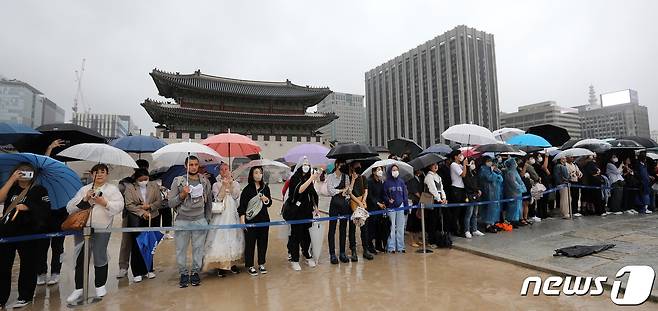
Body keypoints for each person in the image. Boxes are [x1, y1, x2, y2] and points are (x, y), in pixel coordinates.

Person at [66, 164, 124, 304]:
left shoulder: (112, 189)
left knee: (100, 254)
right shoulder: (84, 189)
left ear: (107, 174)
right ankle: (78, 288)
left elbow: (119, 206)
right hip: (82, 228)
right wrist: (85, 199)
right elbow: (70, 207)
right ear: (92, 174)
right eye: (96, 172)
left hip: (102, 228)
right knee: (81, 257)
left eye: (102, 172)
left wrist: (105, 203)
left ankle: (100, 285)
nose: (99, 175)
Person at [0, 163, 50, 309]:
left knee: (28, 265)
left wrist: (28, 207)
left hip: (29, 232)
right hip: (8, 232)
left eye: (28, 171)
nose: (24, 173)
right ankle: (1, 298)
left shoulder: (39, 190)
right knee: (3, 265)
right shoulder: (12, 187)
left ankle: (25, 296)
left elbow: (45, 210)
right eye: (21, 171)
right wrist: (11, 179)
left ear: (33, 174)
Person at [169, 156, 212, 288]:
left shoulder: (205, 181)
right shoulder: (178, 181)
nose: (193, 167)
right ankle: (183, 273)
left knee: (198, 249)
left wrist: (207, 219)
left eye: (195, 164)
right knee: (181, 249)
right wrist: (182, 194)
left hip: (199, 220)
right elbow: (171, 203)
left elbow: (208, 202)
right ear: (185, 166)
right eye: (191, 164)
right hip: (182, 220)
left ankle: (195, 272)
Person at [36, 139, 68, 287]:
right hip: (43, 217)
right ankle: (41, 273)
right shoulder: (41, 180)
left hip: (60, 215)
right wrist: (49, 148)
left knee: (58, 247)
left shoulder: (64, 181)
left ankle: (56, 272)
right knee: (41, 247)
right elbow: (42, 165)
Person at [123, 169, 162, 283]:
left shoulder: (154, 185)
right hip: (137, 219)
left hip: (152, 217)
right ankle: (137, 272)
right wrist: (141, 211)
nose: (144, 181)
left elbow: (159, 201)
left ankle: (149, 269)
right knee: (137, 245)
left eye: (146, 179)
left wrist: (149, 206)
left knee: (150, 244)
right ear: (136, 179)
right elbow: (129, 204)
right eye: (141, 180)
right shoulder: (130, 187)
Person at [205, 163, 244, 277]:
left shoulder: (236, 183)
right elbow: (218, 198)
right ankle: (221, 265)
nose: (224, 171)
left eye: (226, 169)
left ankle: (232, 263)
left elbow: (236, 196)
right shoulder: (216, 184)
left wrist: (230, 184)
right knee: (220, 236)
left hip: (232, 213)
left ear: (230, 170)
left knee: (233, 236)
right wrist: (223, 186)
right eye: (221, 170)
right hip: (221, 214)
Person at [117, 159, 150, 279]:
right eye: (139, 168)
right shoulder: (125, 183)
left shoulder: (149, 182)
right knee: (126, 242)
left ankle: (145, 266)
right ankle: (123, 267)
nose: (141, 170)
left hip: (146, 216)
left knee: (145, 242)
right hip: (129, 216)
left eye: (144, 168)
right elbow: (121, 199)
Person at [286, 157, 320, 271]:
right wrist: (311, 178)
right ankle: (294, 259)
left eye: (308, 164)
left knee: (306, 235)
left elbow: (312, 194)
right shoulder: (295, 178)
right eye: (304, 164)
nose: (306, 166)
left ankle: (306, 254)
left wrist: (316, 207)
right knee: (296, 235)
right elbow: (299, 190)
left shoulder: (309, 178)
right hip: (296, 211)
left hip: (307, 211)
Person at [239, 166, 272, 276]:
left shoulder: (265, 188)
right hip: (251, 221)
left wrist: (266, 199)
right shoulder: (247, 189)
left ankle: (261, 263)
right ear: (252, 175)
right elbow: (242, 207)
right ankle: (250, 265)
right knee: (250, 243)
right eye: (256, 173)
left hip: (264, 220)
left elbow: (270, 203)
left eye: (260, 173)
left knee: (263, 243)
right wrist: (242, 220)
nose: (258, 175)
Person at [326, 160, 352, 264]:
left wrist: (346, 190)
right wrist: (341, 190)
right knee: (332, 229)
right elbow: (331, 191)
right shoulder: (330, 177)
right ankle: (332, 254)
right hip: (334, 205)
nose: (343, 166)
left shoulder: (346, 177)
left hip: (344, 204)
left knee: (343, 228)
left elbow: (348, 190)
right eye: (341, 164)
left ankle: (342, 253)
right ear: (337, 165)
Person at [383, 164, 408, 252]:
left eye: (396, 170)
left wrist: (406, 207)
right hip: (391, 207)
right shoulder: (386, 182)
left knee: (401, 227)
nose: (395, 171)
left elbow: (405, 195)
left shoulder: (401, 181)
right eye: (393, 170)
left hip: (400, 206)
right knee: (392, 227)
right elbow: (384, 194)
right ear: (390, 171)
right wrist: (388, 200)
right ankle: (391, 247)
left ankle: (401, 247)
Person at [349, 160, 370, 261]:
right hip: (353, 204)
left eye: (359, 165)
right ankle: (353, 251)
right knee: (352, 229)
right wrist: (359, 202)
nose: (359, 167)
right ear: (352, 167)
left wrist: (363, 201)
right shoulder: (349, 178)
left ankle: (365, 249)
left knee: (364, 228)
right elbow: (349, 192)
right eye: (357, 166)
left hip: (362, 204)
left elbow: (366, 190)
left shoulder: (363, 177)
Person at [424, 162, 447, 247]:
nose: (435, 166)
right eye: (433, 164)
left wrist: (444, 198)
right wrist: (439, 199)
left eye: (436, 164)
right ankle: (431, 241)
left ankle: (437, 239)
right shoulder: (429, 176)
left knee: (438, 220)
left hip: (439, 200)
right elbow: (432, 189)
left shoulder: (438, 177)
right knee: (432, 221)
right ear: (429, 166)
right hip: (432, 200)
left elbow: (441, 188)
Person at [479, 156, 504, 233]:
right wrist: (493, 172)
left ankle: (492, 223)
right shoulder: (483, 169)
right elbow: (490, 178)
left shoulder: (491, 169)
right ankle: (488, 225)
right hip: (488, 192)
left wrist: (497, 172)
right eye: (488, 161)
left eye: (491, 161)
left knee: (494, 209)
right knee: (488, 209)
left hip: (494, 192)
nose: (490, 162)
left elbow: (500, 179)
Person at [366, 166, 386, 253]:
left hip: (380, 208)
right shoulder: (369, 181)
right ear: (374, 172)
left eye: (381, 170)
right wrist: (378, 203)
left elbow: (382, 194)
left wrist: (384, 202)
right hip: (372, 208)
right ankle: (370, 246)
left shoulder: (380, 182)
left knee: (379, 227)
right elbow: (369, 196)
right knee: (371, 227)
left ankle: (378, 245)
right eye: (378, 170)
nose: (380, 171)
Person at [503, 158, 526, 227]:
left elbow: (519, 180)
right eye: (514, 163)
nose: (516, 164)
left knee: (518, 207)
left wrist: (522, 186)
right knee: (513, 207)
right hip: (513, 193)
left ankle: (517, 219)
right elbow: (513, 183)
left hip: (517, 193)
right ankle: (512, 221)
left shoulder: (514, 171)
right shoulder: (510, 173)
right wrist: (520, 188)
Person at [463, 160, 484, 238]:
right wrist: (476, 189)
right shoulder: (466, 174)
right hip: (469, 195)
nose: (473, 165)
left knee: (475, 214)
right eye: (471, 163)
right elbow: (468, 184)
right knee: (469, 214)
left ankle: (474, 229)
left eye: (474, 163)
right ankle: (467, 230)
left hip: (476, 195)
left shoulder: (474, 173)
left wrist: (479, 189)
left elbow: (477, 183)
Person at [448, 150, 467, 235]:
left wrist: (466, 165)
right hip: (456, 189)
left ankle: (462, 229)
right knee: (456, 211)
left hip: (462, 188)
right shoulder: (453, 165)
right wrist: (464, 164)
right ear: (455, 156)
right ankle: (455, 229)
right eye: (459, 155)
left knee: (463, 210)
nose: (461, 156)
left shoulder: (459, 165)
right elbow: (463, 174)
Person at [406, 169, 424, 247]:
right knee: (412, 221)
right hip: (413, 201)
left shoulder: (419, 178)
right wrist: (422, 197)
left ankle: (417, 239)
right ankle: (411, 240)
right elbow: (415, 191)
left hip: (419, 202)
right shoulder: (411, 179)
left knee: (418, 221)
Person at [533, 153, 552, 219]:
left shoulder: (540, 164)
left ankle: (545, 213)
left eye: (540, 156)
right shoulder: (535, 165)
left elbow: (548, 172)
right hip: (540, 184)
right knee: (540, 199)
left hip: (545, 183)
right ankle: (540, 213)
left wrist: (546, 168)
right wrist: (546, 157)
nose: (540, 157)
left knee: (545, 199)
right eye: (538, 156)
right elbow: (544, 167)